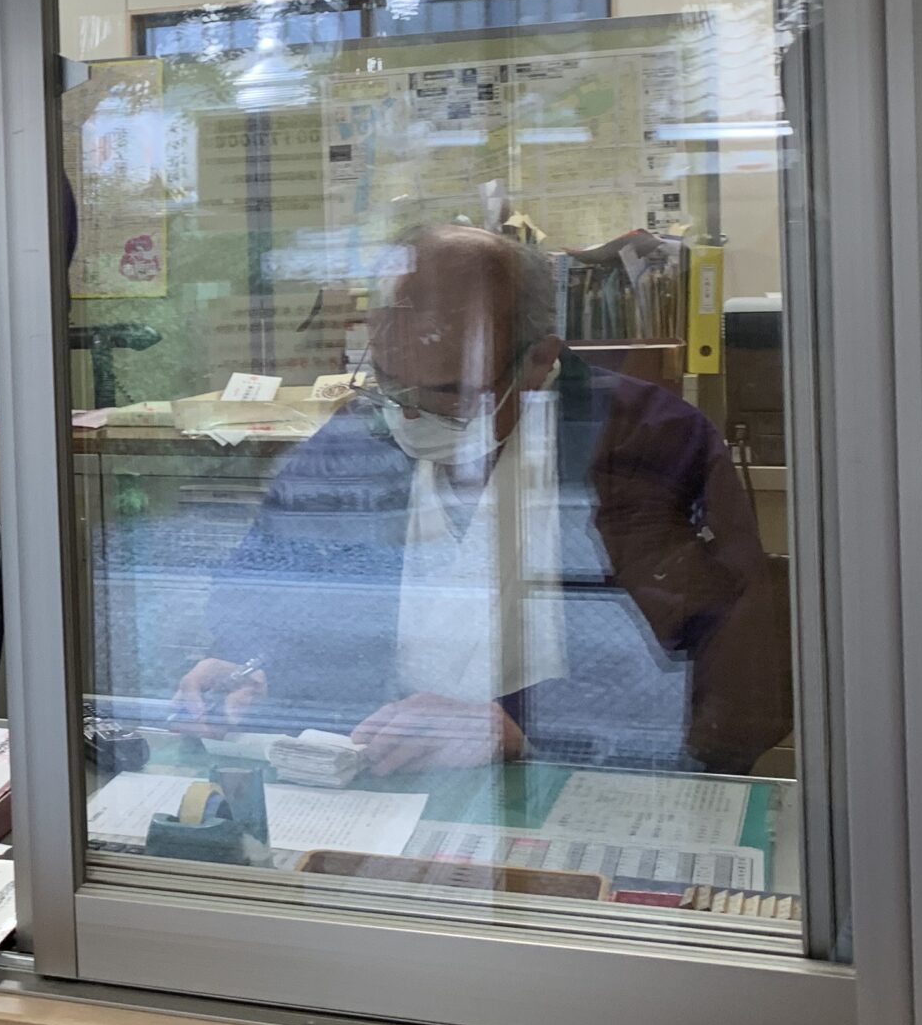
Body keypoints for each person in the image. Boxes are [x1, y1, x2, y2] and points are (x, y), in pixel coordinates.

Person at [172, 225, 788, 776]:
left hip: (569, 774)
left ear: (540, 363)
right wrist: (245, 666)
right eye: (391, 385)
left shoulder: (648, 438)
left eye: (445, 395)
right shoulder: (360, 434)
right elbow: (268, 585)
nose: (408, 415)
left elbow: (735, 669)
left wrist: (529, 727)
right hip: (376, 765)